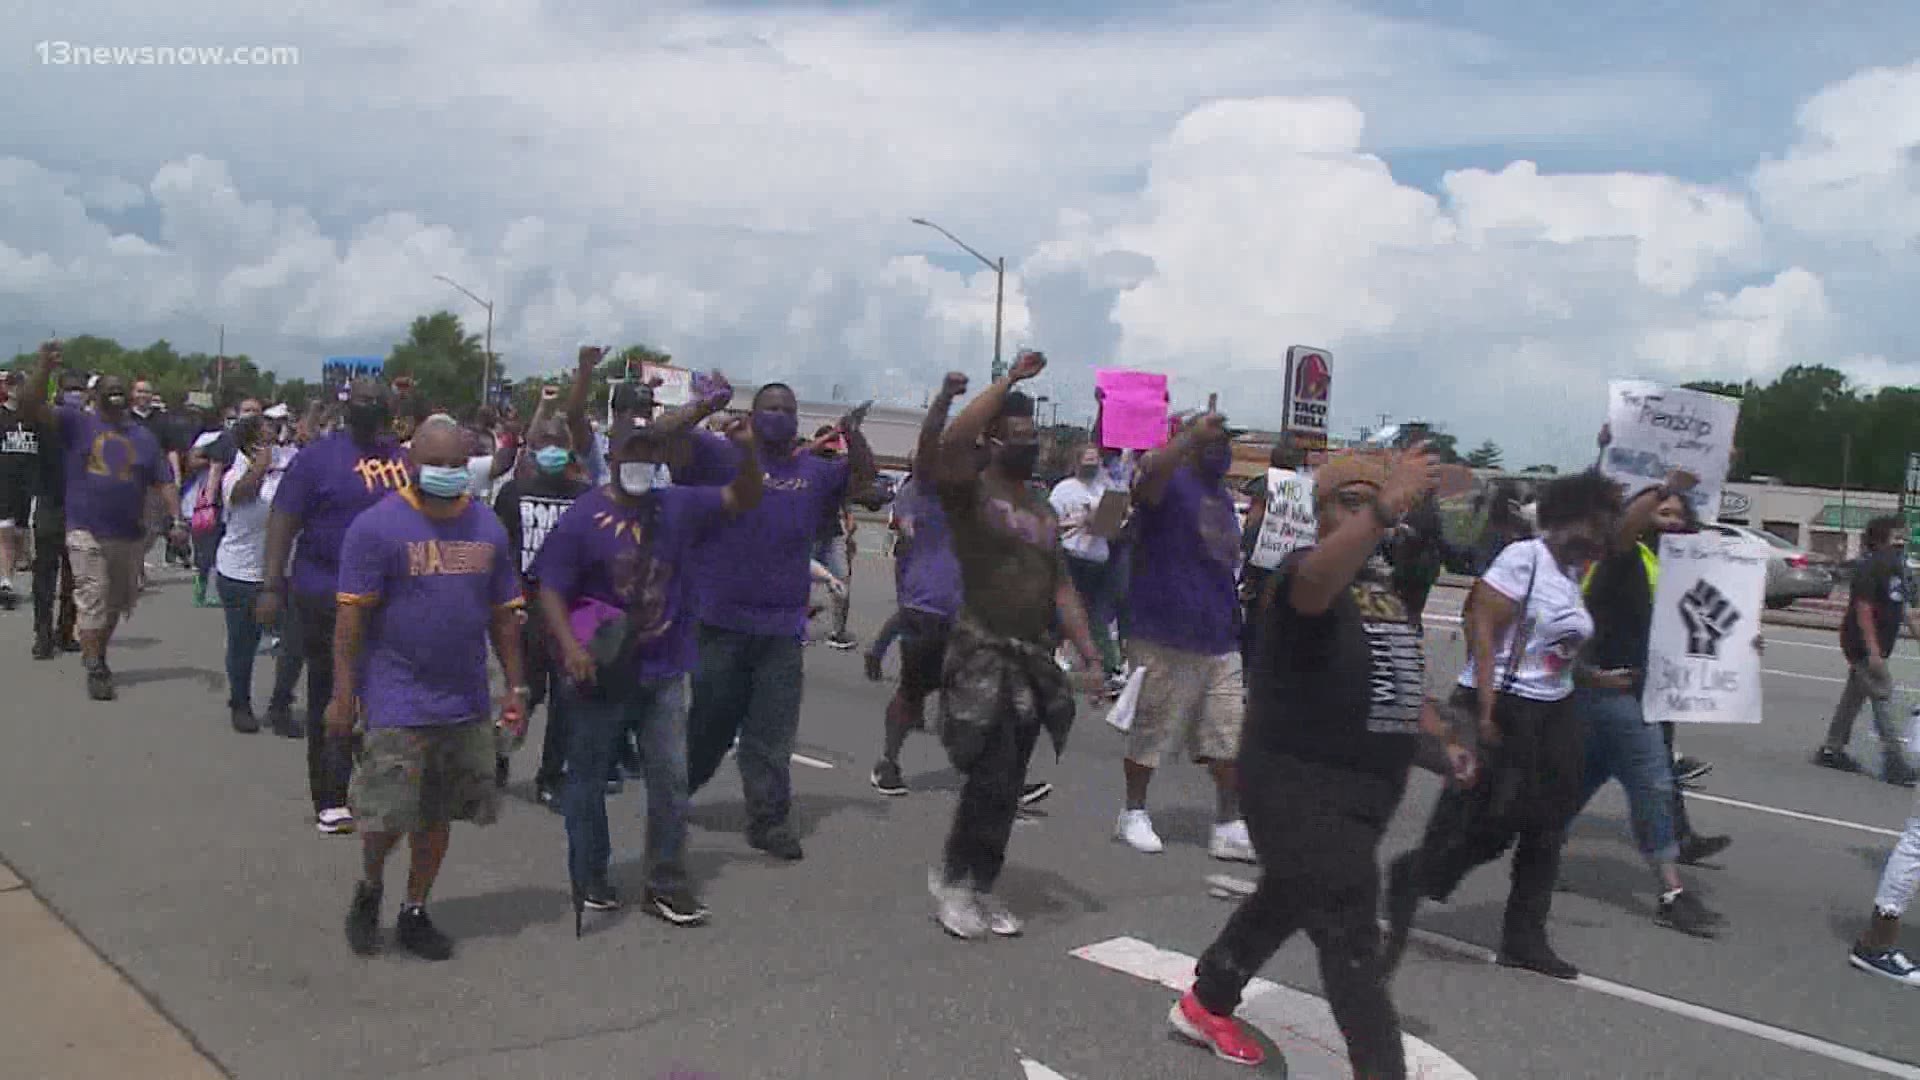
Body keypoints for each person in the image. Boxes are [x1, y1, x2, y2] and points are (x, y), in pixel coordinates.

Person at [1170, 447, 1459, 1074]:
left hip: (1366, 791)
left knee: (1289, 894)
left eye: (1374, 499)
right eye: (1348, 501)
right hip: (1298, 789)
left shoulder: (1384, 590)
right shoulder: (1302, 573)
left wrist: (1444, 742)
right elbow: (1315, 585)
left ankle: (1208, 998)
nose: (1367, 512)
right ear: (1321, 511)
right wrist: (1383, 507)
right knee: (1351, 936)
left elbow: (1398, 675)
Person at [1384, 469, 1622, 981]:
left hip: (1555, 708)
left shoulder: (1573, 571)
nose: (1605, 537)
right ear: (1570, 519)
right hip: (1503, 704)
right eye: (1600, 525)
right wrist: (1487, 712)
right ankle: (1416, 872)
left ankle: (1525, 936)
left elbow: (1554, 649)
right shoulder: (1524, 560)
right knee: (1488, 824)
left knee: (1548, 825)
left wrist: (1599, 680)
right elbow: (1484, 633)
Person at [535, 414, 763, 929]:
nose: (637, 463)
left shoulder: (677, 506)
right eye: (628, 453)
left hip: (664, 671)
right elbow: (549, 587)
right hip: (603, 673)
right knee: (588, 781)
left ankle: (665, 881)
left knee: (670, 780)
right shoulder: (582, 517)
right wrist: (570, 646)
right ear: (610, 457)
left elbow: (742, 497)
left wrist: (747, 452)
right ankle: (592, 873)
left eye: (647, 454)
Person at [334, 417, 527, 961]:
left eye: (455, 464)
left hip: (464, 698)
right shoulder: (377, 528)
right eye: (435, 463)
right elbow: (350, 621)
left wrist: (517, 687)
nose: (445, 473)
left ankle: (415, 908)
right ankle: (370, 886)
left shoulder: (487, 527)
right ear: (411, 462)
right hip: (397, 697)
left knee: (438, 814)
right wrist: (342, 695)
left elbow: (505, 616)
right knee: (387, 815)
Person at [925, 358, 1103, 939]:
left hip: (1032, 658)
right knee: (992, 774)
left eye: (1036, 440)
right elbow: (951, 439)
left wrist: (1090, 650)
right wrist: (1007, 382)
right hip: (981, 653)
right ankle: (956, 880)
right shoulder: (968, 493)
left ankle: (983, 884)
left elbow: (1061, 585)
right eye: (1019, 438)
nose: (1030, 447)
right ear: (994, 442)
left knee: (1011, 779)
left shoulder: (1043, 509)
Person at [684, 384, 880, 862]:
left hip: (781, 630)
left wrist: (854, 436)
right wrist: (702, 407)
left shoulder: (815, 473)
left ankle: (769, 821)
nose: (779, 416)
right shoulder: (721, 456)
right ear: (753, 415)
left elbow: (865, 483)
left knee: (771, 735)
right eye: (770, 409)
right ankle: (674, 787)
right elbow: (667, 441)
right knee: (709, 726)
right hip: (720, 622)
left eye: (788, 410)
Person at [1569, 471, 1732, 939]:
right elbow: (1622, 527)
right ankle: (1672, 893)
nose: (1670, 518)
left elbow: (1706, 626)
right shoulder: (1622, 555)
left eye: (1678, 514)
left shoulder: (1685, 570)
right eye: (1662, 511)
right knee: (1655, 785)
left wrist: (1742, 646)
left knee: (1575, 786)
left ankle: (1533, 849)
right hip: (1611, 690)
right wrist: (1663, 486)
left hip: (1649, 695)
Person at [258, 377, 411, 835]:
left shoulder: (402, 462)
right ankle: (330, 795)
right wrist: (271, 585)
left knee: (387, 694)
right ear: (347, 408)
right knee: (330, 693)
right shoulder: (316, 459)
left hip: (390, 600)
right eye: (360, 400)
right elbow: (284, 520)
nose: (368, 407)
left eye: (375, 400)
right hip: (324, 594)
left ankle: (381, 784)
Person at [1113, 411, 1254, 862]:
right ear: (1190, 443)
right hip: (1162, 634)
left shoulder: (1224, 498)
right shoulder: (1168, 484)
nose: (1223, 451)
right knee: (1152, 731)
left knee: (1228, 736)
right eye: (1214, 442)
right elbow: (1147, 478)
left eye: (1226, 443)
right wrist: (1189, 435)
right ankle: (1133, 812)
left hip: (1219, 636)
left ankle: (1228, 824)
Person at [17, 344, 183, 701]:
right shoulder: (76, 422)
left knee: (115, 604)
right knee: (93, 595)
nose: (116, 397)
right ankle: (95, 667)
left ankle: (98, 651)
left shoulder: (144, 437)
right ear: (95, 396)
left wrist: (178, 520)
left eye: (121, 391)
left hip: (127, 534)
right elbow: (30, 407)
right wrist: (43, 368)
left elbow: (163, 480)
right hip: (84, 529)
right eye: (109, 391)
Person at [869, 382, 968, 797]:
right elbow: (929, 441)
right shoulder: (920, 490)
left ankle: (993, 776)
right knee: (912, 694)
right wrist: (944, 398)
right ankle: (887, 762)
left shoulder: (973, 496)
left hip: (968, 616)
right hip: (926, 609)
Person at [493, 416, 593, 806]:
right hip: (525, 609)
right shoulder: (513, 493)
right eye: (544, 440)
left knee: (568, 700)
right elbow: (501, 552)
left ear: (569, 447)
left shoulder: (585, 496)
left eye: (558, 441)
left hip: (571, 613)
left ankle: (551, 775)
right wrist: (507, 603)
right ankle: (498, 754)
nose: (551, 446)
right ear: (532, 447)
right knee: (524, 694)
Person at [1816, 515, 1920, 786]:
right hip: (1862, 643)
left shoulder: (1896, 567)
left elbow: (1902, 609)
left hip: (1878, 644)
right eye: (1897, 536)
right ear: (1881, 538)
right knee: (1882, 698)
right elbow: (1863, 610)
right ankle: (1895, 762)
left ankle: (1831, 748)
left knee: (1853, 697)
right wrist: (1873, 652)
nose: (1903, 541)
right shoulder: (1871, 566)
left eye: (1904, 537)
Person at [213, 415, 289, 733]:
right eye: (263, 439)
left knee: (292, 645)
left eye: (274, 438)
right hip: (240, 574)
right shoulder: (235, 474)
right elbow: (241, 494)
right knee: (244, 644)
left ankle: (281, 705)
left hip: (281, 574)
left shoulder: (281, 472)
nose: (271, 445)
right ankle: (240, 703)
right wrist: (259, 466)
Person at [1050, 445, 1124, 684]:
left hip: (1098, 557)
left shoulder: (1104, 489)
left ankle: (1106, 664)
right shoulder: (1064, 490)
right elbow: (1052, 522)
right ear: (1077, 461)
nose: (1092, 464)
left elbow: (1113, 525)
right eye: (1088, 459)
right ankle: (1057, 652)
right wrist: (1078, 522)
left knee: (1095, 613)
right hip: (1072, 555)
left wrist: (1110, 519)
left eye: (1096, 460)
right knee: (1066, 607)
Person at [29, 372, 83, 660]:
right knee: (44, 574)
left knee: (74, 576)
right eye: (70, 390)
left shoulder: (88, 425)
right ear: (60, 393)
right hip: (50, 502)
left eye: (79, 390)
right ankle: (43, 634)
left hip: (79, 507)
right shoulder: (47, 421)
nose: (75, 395)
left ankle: (66, 631)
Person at [0, 369, 38, 612]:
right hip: (3, 482)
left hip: (28, 484)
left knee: (19, 533)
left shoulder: (34, 418)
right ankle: (5, 582)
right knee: (4, 530)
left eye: (20, 384)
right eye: (12, 384)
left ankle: (9, 573)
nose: (15, 388)